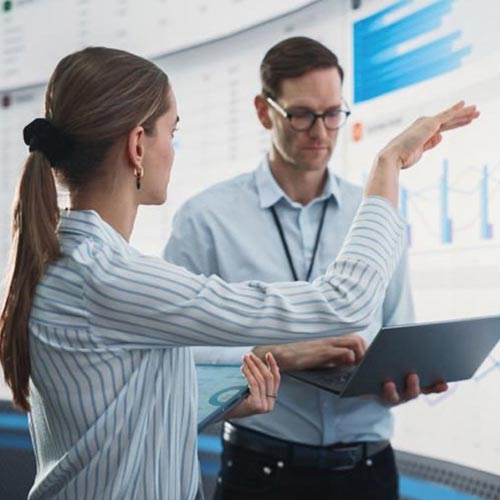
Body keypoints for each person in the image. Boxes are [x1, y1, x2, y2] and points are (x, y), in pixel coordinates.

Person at [0, 46, 477, 500]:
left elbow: (121, 407)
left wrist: (231, 389)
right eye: (173, 132)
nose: (175, 149)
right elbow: (344, 301)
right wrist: (388, 165)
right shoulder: (107, 277)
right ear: (138, 146)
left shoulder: (70, 262)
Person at [163, 37, 470, 500]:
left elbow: (397, 326)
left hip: (369, 469)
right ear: (264, 111)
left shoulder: (373, 211)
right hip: (262, 469)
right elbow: (172, 358)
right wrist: (278, 354)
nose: (321, 132)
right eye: (302, 114)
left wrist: (401, 381)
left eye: (332, 114)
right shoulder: (205, 219)